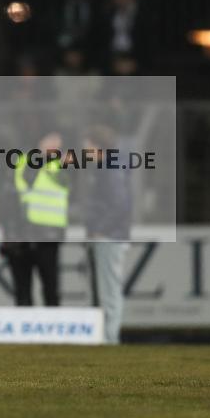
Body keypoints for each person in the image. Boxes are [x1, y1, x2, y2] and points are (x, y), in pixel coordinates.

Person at [82, 125, 133, 344]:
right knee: (106, 290)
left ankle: (110, 338)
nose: (85, 151)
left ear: (98, 146)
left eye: (88, 146)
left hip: (110, 237)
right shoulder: (109, 167)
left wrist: (100, 229)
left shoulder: (110, 169)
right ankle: (106, 336)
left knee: (109, 291)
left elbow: (120, 204)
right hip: (110, 234)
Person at [8, 132, 69, 306]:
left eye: (58, 141)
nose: (54, 144)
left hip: (49, 236)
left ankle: (53, 330)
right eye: (50, 140)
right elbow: (26, 179)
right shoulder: (24, 160)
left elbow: (68, 183)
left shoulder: (61, 165)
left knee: (51, 289)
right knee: (23, 292)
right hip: (23, 233)